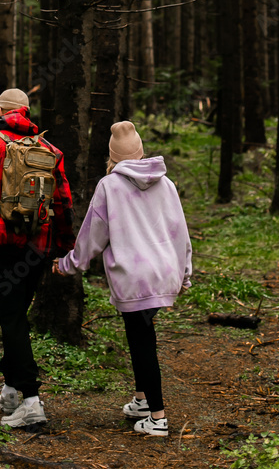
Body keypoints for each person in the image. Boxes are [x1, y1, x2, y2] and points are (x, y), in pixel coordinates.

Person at [52, 120, 192, 438]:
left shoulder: (109, 187)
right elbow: (180, 231)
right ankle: (143, 402)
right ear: (140, 152)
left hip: (134, 278)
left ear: (112, 157)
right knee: (139, 335)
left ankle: (157, 417)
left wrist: (67, 265)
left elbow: (91, 237)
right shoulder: (166, 184)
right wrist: (185, 272)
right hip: (164, 273)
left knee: (142, 342)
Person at [0, 88, 75, 428]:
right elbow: (63, 202)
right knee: (17, 314)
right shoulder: (50, 150)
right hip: (40, 245)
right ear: (26, 112)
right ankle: (9, 390)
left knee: (12, 318)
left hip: (2, 246)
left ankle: (32, 401)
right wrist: (64, 247)